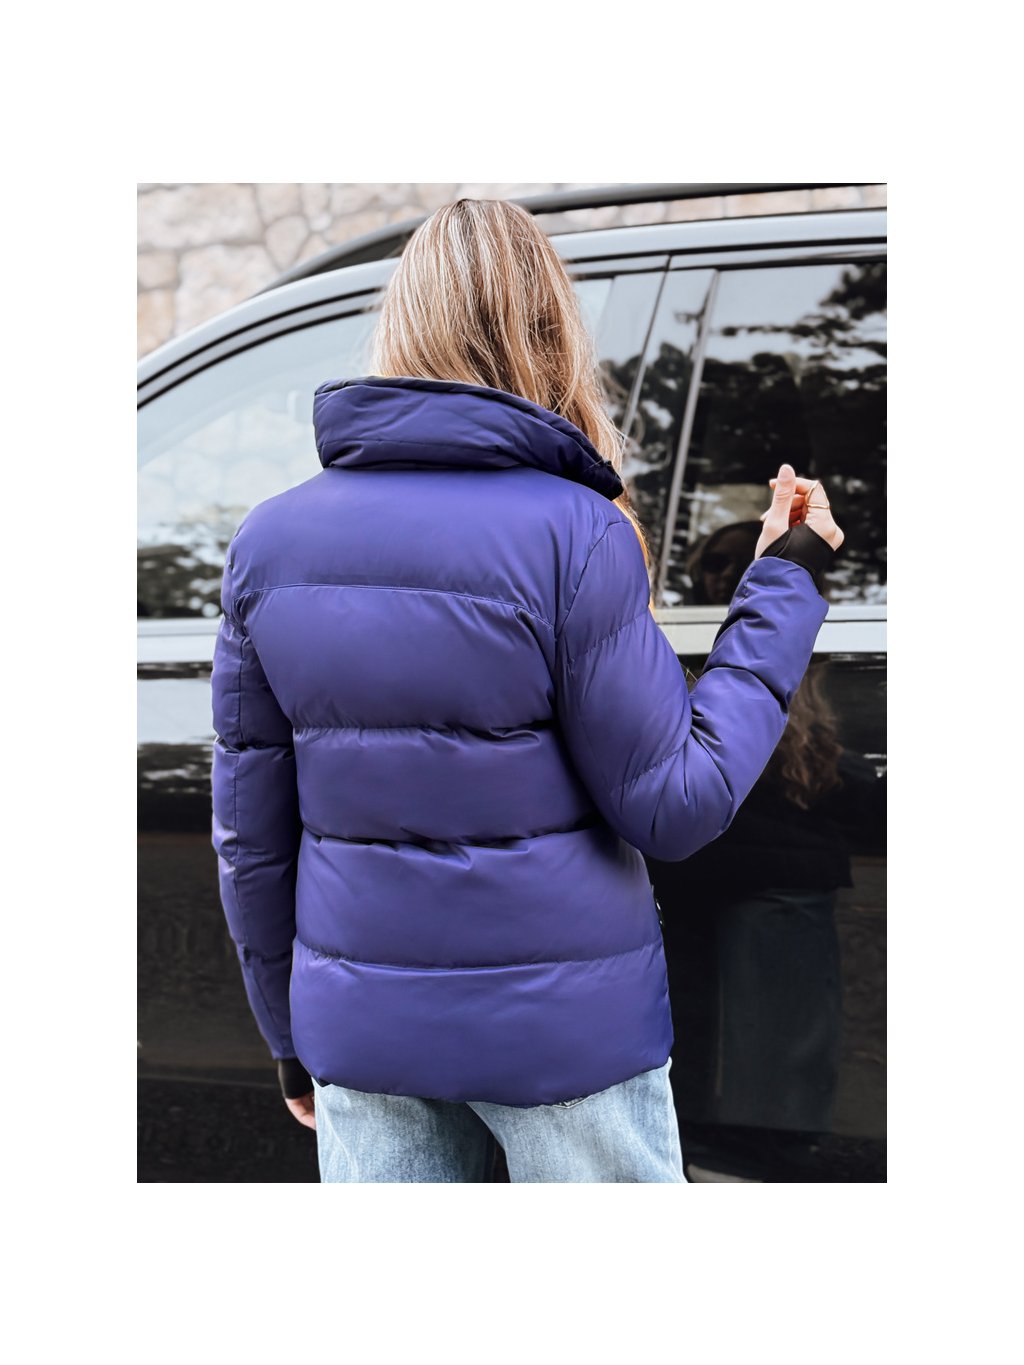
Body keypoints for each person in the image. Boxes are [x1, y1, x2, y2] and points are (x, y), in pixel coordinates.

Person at [209, 197, 845, 1183]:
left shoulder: (269, 542)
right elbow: (677, 804)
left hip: (366, 1040)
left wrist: (289, 1033)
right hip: (568, 1041)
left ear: (400, 325)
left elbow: (251, 838)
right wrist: (784, 580)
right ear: (550, 333)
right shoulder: (576, 533)